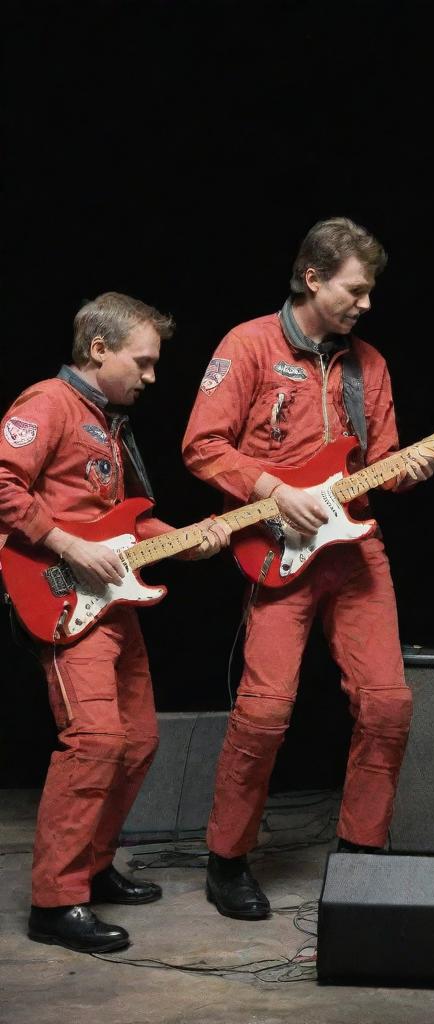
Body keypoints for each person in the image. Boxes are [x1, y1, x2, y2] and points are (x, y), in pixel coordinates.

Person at [182, 217, 434, 920]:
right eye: (355, 290)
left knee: (388, 704)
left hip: (356, 552)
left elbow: (382, 465)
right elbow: (201, 445)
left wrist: (410, 470)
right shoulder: (247, 344)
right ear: (314, 278)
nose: (366, 305)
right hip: (281, 552)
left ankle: (363, 855)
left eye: (371, 292)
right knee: (265, 713)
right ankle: (227, 859)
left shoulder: (371, 365)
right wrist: (272, 490)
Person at [0, 293, 229, 952]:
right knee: (95, 739)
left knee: (137, 740)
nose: (152, 377)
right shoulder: (47, 403)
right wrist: (70, 548)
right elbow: (5, 483)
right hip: (64, 598)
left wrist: (192, 537)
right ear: (99, 349)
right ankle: (55, 900)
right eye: (145, 362)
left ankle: (94, 868)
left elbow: (121, 521)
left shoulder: (104, 423)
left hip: (109, 602)